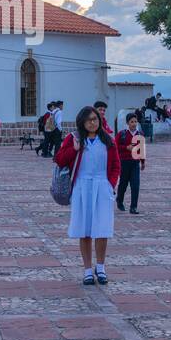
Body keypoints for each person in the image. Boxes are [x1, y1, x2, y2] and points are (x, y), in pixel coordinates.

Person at [55, 105, 121, 286]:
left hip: (102, 186)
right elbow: (59, 159)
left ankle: (100, 267)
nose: (92, 123)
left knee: (102, 229)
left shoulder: (107, 140)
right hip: (81, 186)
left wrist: (110, 184)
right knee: (84, 230)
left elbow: (116, 164)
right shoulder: (74, 138)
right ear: (81, 122)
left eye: (95, 119)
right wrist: (73, 150)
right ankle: (87, 270)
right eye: (88, 120)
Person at [116, 112, 145, 214]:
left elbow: (142, 149)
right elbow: (115, 147)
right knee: (123, 184)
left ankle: (133, 207)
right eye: (132, 122)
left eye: (135, 121)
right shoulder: (122, 134)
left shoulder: (140, 135)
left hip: (135, 163)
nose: (134, 124)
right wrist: (126, 147)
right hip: (124, 162)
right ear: (127, 123)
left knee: (135, 185)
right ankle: (119, 201)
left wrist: (143, 162)